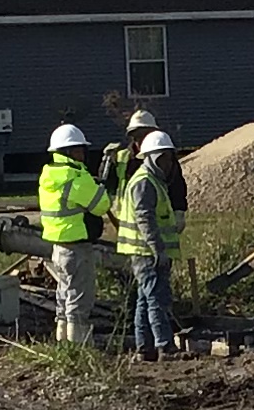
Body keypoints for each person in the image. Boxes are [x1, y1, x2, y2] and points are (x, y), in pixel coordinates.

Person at [36, 122, 110, 345]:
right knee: (79, 299)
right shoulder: (75, 177)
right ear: (68, 152)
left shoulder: (48, 174)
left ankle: (63, 343)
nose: (82, 155)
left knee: (64, 296)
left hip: (58, 246)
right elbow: (102, 205)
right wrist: (98, 188)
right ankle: (80, 347)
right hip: (77, 247)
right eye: (79, 150)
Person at [114, 127, 186, 358]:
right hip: (147, 252)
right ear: (152, 158)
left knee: (145, 300)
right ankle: (165, 345)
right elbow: (145, 218)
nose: (167, 164)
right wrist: (158, 249)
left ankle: (144, 348)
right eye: (162, 158)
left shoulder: (152, 180)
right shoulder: (145, 182)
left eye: (169, 158)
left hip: (146, 251)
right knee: (157, 298)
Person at [98, 109, 158, 207]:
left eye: (144, 135)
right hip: (127, 216)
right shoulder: (120, 157)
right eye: (137, 136)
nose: (140, 140)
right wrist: (105, 162)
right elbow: (107, 185)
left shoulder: (162, 157)